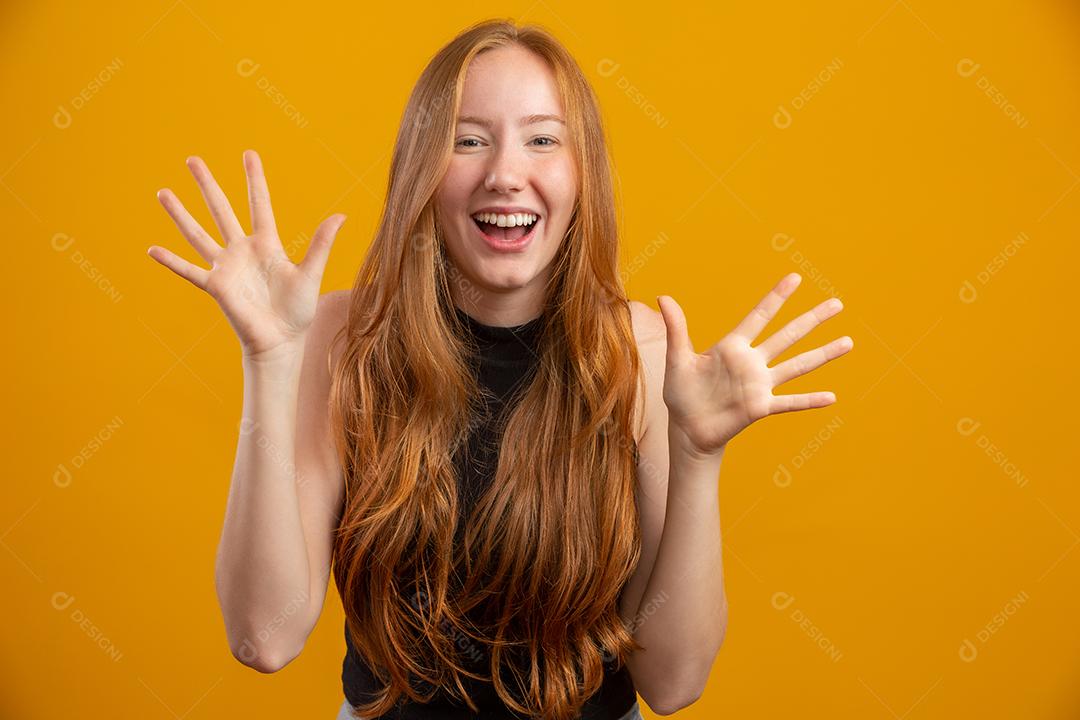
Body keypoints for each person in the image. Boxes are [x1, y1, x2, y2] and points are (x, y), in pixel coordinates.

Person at [147, 17, 852, 720]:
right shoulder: (342, 336)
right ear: (422, 167)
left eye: (543, 139)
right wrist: (270, 362)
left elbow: (673, 683)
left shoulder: (639, 349)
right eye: (468, 140)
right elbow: (263, 636)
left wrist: (698, 455)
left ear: (583, 174)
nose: (505, 174)